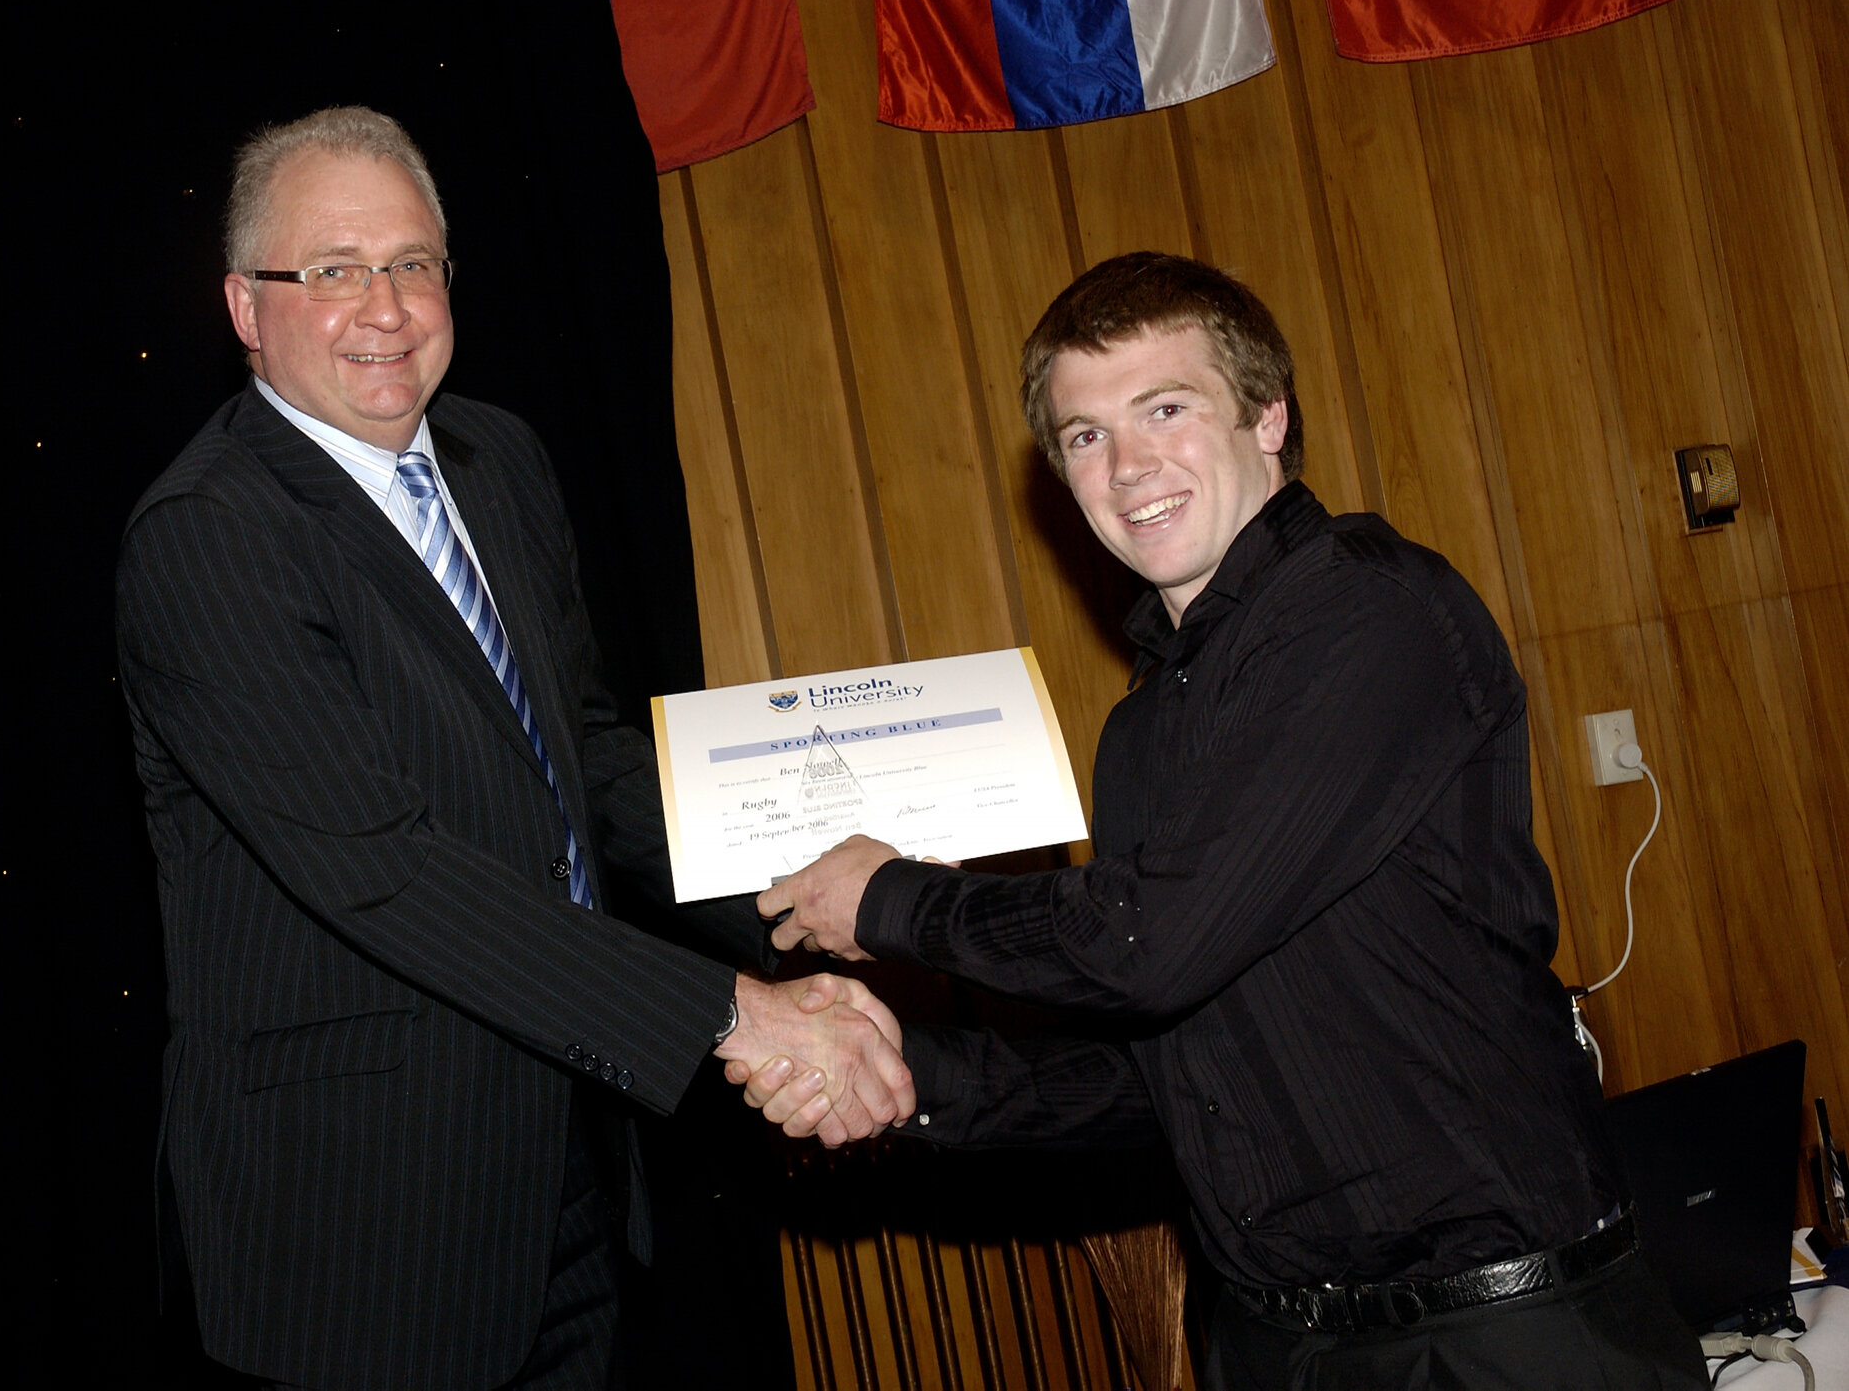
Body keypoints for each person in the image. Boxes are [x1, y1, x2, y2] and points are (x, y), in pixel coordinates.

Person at [744, 253, 1708, 1388]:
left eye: (1164, 408)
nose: (1128, 465)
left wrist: (888, 900)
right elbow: (1166, 1076)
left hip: (1501, 1340)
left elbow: (1149, 944)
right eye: (1084, 435)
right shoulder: (1141, 730)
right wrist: (902, 1067)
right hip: (1273, 1346)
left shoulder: (1370, 611)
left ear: (1265, 416)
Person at [115, 106, 910, 1391]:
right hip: (358, 1217)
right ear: (245, 308)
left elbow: (579, 763)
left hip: (563, 1167)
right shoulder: (208, 536)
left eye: (413, 262)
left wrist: (797, 901)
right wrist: (733, 1017)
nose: (383, 307)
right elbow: (385, 870)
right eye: (329, 271)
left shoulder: (500, 461)